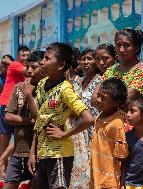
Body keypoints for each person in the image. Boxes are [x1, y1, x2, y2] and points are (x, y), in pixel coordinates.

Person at [26, 42, 94, 189]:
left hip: (59, 155)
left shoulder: (65, 89)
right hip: (42, 153)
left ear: (61, 65)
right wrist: (32, 152)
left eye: (47, 58)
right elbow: (39, 121)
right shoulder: (42, 84)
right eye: (43, 58)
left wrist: (64, 134)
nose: (42, 62)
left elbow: (88, 119)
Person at [2, 51, 45, 189]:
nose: (29, 71)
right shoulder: (18, 87)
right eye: (27, 67)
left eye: (34, 67)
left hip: (40, 153)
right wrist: (31, 121)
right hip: (18, 151)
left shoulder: (47, 90)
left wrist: (28, 95)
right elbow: (8, 116)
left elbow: (42, 119)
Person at [67, 48, 102, 189]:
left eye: (90, 59)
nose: (86, 62)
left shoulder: (100, 80)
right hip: (78, 131)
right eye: (83, 59)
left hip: (93, 129)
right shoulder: (77, 81)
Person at [90, 78, 128, 189]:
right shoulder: (100, 115)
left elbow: (122, 157)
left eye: (104, 98)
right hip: (96, 176)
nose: (98, 100)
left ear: (117, 103)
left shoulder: (117, 124)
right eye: (98, 95)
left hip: (109, 181)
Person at [0, 46, 30, 174]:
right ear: (18, 57)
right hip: (6, 104)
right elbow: (26, 71)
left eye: (28, 55)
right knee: (4, 138)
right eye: (23, 55)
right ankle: (2, 168)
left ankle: (3, 164)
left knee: (18, 136)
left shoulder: (26, 70)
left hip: (19, 107)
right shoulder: (16, 66)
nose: (26, 58)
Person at [103, 28, 143, 97]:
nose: (121, 50)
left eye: (127, 45)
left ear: (136, 48)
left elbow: (129, 95)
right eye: (118, 45)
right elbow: (95, 98)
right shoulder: (111, 70)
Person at [121, 95, 143, 189]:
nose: (127, 114)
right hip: (130, 184)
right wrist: (122, 185)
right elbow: (123, 162)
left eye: (132, 111)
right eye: (128, 110)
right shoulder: (127, 136)